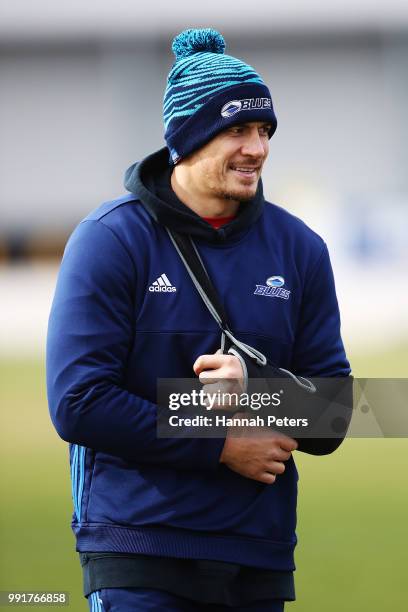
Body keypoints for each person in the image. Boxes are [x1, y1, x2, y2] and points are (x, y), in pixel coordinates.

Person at [46, 28, 351, 612]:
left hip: (258, 556)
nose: (257, 148)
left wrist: (255, 391)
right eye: (236, 129)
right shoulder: (109, 240)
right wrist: (217, 441)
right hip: (140, 549)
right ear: (187, 137)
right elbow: (78, 401)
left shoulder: (300, 247)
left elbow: (337, 414)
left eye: (264, 131)